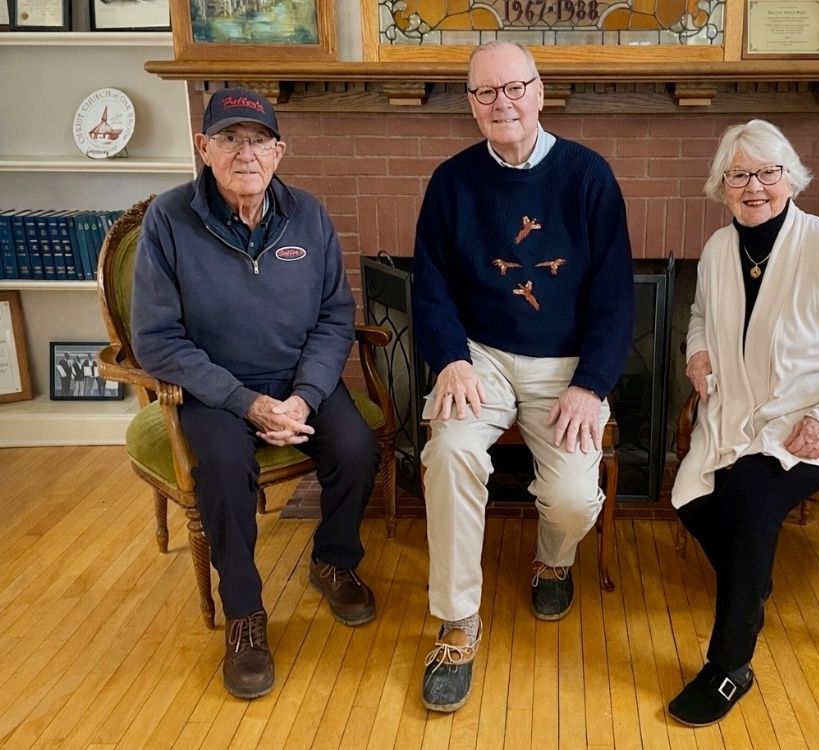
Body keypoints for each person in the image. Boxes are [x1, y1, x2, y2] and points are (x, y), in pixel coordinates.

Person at [131, 87, 380, 700]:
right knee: (220, 465)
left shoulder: (310, 216)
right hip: (215, 389)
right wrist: (246, 402)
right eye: (230, 139)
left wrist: (305, 395)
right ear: (203, 147)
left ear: (279, 152)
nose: (246, 153)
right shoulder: (168, 220)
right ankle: (244, 613)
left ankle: (333, 560)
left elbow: (333, 315)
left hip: (298, 381)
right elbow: (156, 341)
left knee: (356, 449)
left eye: (259, 140)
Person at [412, 41, 634, 713]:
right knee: (448, 450)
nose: (501, 103)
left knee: (573, 497)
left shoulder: (589, 177)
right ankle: (457, 621)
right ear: (471, 105)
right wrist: (450, 356)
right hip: (479, 356)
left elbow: (616, 297)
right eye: (485, 93)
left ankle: (553, 559)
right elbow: (429, 286)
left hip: (565, 365)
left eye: (514, 88)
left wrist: (592, 385)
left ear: (541, 93)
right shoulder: (452, 182)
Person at [669, 119, 819, 726]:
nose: (754, 187)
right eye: (738, 175)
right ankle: (752, 581)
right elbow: (698, 314)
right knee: (690, 496)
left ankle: (729, 665)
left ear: (790, 177)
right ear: (722, 186)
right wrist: (697, 351)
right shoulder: (720, 249)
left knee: (748, 490)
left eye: (767, 173)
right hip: (744, 407)